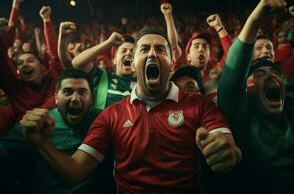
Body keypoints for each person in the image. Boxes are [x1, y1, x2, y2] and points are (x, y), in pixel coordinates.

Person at [21, 26, 241, 193]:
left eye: (160, 50)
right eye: (144, 49)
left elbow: (229, 147)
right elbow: (73, 171)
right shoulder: (111, 115)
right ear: (134, 63)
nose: (152, 54)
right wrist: (40, 143)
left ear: (172, 65)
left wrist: (228, 153)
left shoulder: (200, 104)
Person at [218, 0, 294, 193]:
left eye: (275, 73)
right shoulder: (243, 117)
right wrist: (255, 19)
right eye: (260, 74)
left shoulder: (293, 105)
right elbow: (233, 75)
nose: (271, 76)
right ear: (246, 89)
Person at [0, 69, 114, 194]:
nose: (75, 98)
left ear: (91, 99)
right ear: (56, 99)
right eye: (67, 92)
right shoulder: (37, 122)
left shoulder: (102, 119)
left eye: (82, 92)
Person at [72, 31, 136, 109]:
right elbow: (76, 63)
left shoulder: (143, 84)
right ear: (114, 60)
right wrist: (108, 42)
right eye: (123, 51)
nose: (128, 53)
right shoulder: (102, 76)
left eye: (132, 52)